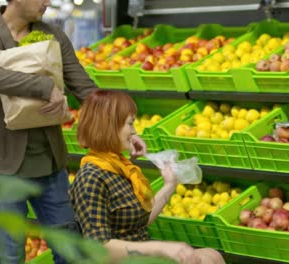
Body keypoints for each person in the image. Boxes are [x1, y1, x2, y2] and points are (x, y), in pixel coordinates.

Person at [0, 1, 147, 263]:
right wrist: (45, 87)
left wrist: (124, 128)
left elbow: (83, 86)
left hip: (49, 164)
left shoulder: (53, 35)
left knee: (71, 249)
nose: (48, 2)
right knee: (10, 254)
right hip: (2, 168)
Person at [70, 90, 225, 264]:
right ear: (110, 126)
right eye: (130, 124)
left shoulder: (119, 167)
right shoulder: (91, 178)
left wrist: (170, 184)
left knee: (211, 256)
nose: (134, 131)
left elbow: (139, 223)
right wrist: (159, 248)